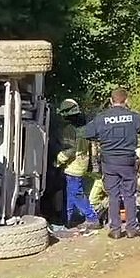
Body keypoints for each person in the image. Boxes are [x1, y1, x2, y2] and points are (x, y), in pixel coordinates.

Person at [81, 87, 140, 239]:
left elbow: (88, 133)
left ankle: (115, 230)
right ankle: (132, 228)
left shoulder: (101, 117)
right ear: (126, 100)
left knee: (113, 195)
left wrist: (101, 139)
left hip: (109, 162)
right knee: (130, 195)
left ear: (111, 101)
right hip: (128, 161)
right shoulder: (133, 117)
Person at [54, 98, 98, 232]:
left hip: (73, 167)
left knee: (76, 193)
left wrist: (57, 161)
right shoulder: (85, 128)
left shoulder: (69, 129)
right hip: (82, 164)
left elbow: (70, 150)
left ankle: (92, 218)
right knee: (70, 194)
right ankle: (67, 220)